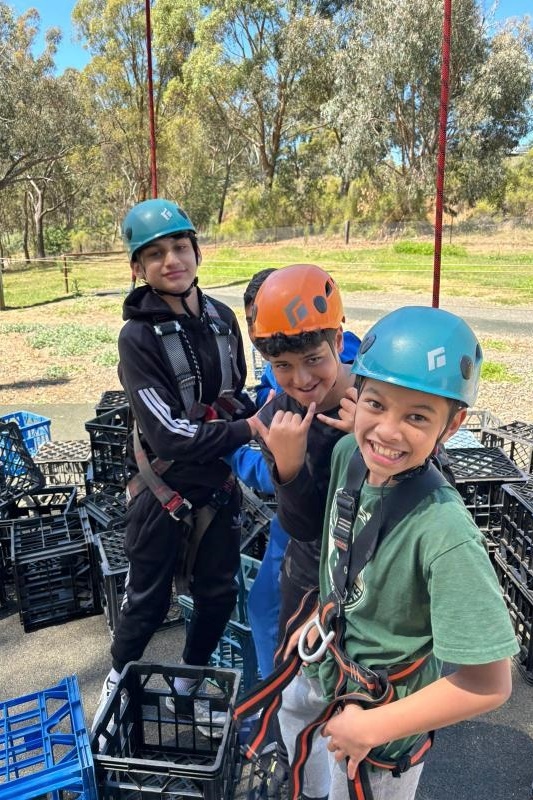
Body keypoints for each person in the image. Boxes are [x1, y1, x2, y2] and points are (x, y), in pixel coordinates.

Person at [268, 306, 518, 800]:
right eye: (376, 405)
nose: (386, 431)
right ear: (356, 394)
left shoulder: (444, 533)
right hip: (325, 665)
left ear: (453, 425)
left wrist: (375, 728)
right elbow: (343, 552)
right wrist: (322, 610)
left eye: (417, 416)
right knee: (302, 741)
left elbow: (490, 684)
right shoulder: (348, 458)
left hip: (380, 728)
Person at [93, 198, 260, 728]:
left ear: (196, 252)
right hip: (163, 490)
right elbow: (167, 434)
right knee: (145, 600)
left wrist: (275, 411)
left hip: (216, 483)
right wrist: (244, 429)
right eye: (156, 253)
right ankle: (116, 686)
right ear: (138, 269)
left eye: (181, 247)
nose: (172, 260)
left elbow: (237, 394)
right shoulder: (137, 336)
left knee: (217, 594)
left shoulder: (222, 320)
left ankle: (186, 686)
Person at [236, 263, 358, 799]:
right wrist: (286, 466)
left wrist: (369, 447)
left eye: (314, 359)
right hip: (308, 591)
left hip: (369, 601)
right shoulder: (281, 415)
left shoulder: (377, 403)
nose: (302, 379)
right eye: (282, 365)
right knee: (299, 707)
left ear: (338, 338)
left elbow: (426, 494)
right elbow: (304, 524)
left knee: (358, 728)